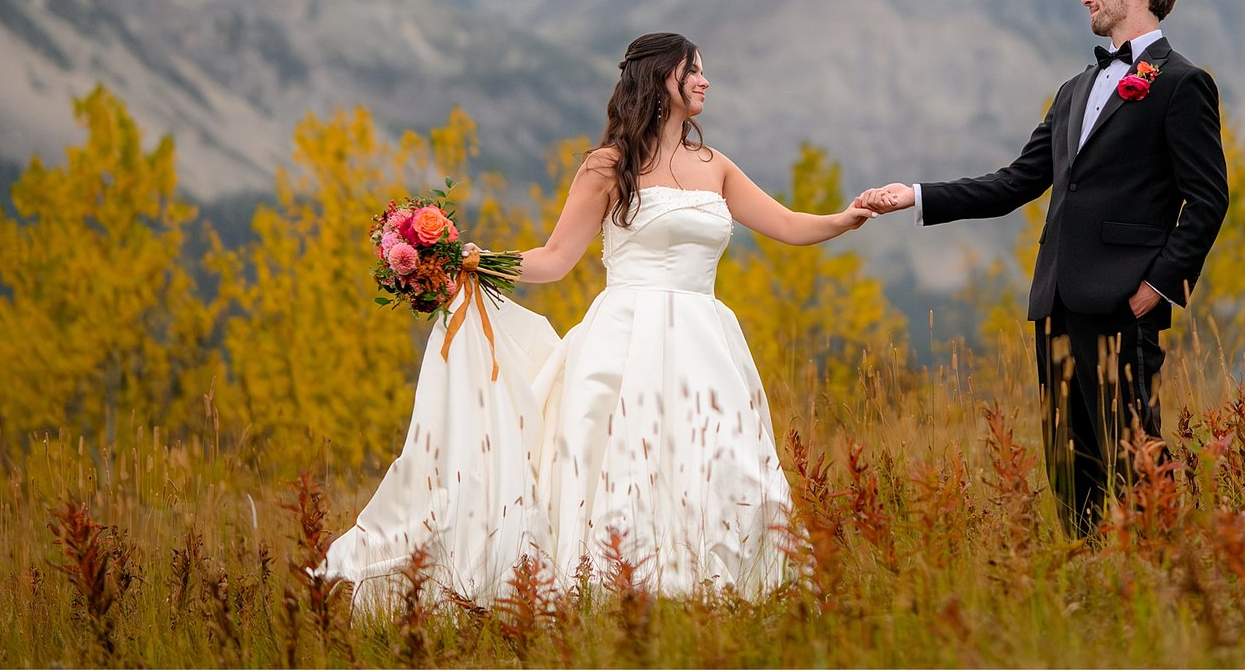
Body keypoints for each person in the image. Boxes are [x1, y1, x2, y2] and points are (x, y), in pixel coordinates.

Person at [319, 32, 874, 603]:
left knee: (725, 460)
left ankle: (727, 591)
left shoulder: (716, 166)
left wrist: (848, 216)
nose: (705, 81)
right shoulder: (608, 166)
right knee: (624, 467)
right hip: (625, 340)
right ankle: (620, 590)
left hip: (705, 342)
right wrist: (480, 261)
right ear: (659, 78)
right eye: (692, 70)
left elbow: (788, 224)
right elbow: (556, 258)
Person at [856, 0, 1230, 533]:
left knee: (1134, 457)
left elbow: (1208, 199)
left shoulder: (1182, 83)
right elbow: (1014, 183)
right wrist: (917, 195)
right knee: (1070, 467)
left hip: (1125, 304)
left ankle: (1161, 570)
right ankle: (1083, 572)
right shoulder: (1073, 90)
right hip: (1055, 302)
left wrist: (1158, 286)